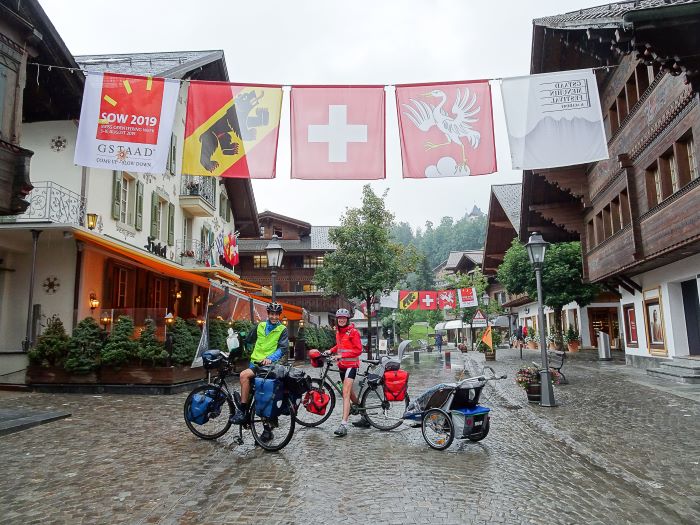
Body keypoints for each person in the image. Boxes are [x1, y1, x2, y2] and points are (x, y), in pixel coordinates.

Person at [229, 302, 289, 436]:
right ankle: (249, 417)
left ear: (279, 315)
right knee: (252, 392)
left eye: (276, 315)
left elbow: (283, 349)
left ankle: (244, 412)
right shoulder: (260, 326)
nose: (274, 317)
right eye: (272, 314)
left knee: (253, 385)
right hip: (254, 363)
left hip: (268, 366)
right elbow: (249, 340)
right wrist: (240, 343)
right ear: (268, 314)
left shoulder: (282, 330)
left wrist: (270, 358)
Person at [327, 308, 364, 437]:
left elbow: (359, 350)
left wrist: (341, 356)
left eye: (344, 318)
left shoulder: (353, 332)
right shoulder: (338, 332)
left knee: (345, 393)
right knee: (350, 393)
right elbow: (339, 346)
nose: (341, 320)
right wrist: (331, 351)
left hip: (351, 366)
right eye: (339, 318)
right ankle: (364, 415)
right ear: (337, 320)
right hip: (342, 366)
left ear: (347, 319)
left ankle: (343, 424)